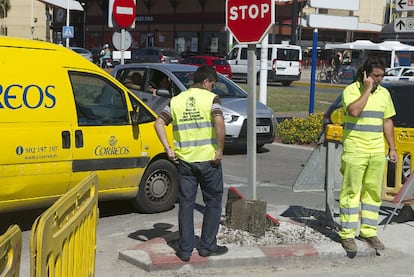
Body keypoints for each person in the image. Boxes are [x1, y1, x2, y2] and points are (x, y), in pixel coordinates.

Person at [154, 65, 227, 262]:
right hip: (209, 161)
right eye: (212, 84)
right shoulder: (211, 99)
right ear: (206, 81)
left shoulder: (176, 101)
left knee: (186, 204)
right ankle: (207, 246)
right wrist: (220, 150)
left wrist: (168, 149)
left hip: (184, 161)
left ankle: (185, 249)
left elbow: (158, 123)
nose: (213, 88)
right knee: (213, 202)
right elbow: (219, 122)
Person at [339, 56, 397, 254]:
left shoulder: (384, 94)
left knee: (373, 193)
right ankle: (347, 234)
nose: (379, 79)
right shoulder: (351, 91)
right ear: (365, 74)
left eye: (382, 76)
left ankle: (369, 231)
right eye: (376, 75)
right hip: (355, 150)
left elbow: (387, 121)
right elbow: (354, 111)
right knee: (351, 192)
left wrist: (392, 148)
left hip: (376, 151)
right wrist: (366, 90)